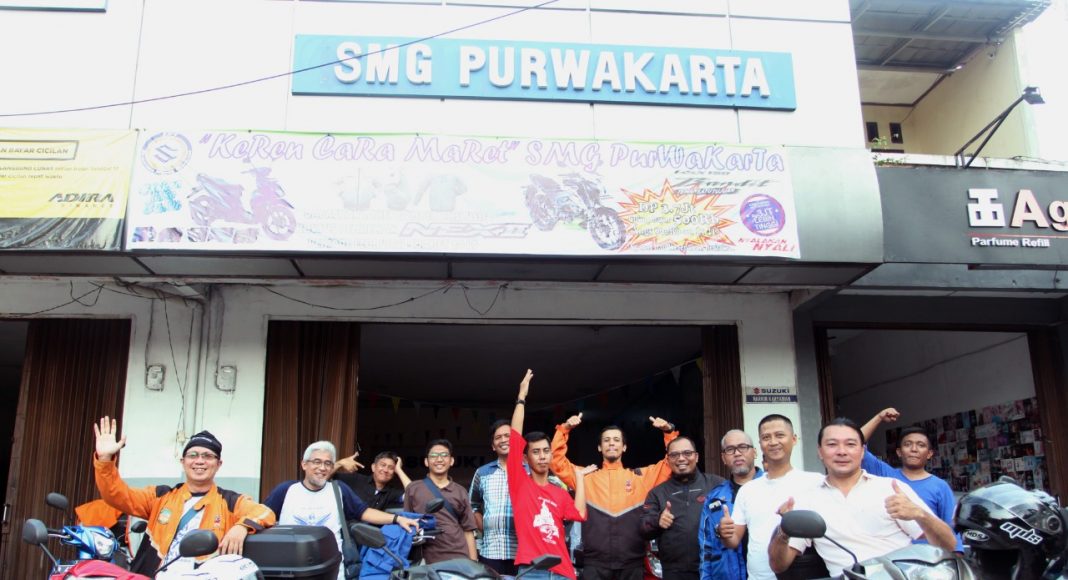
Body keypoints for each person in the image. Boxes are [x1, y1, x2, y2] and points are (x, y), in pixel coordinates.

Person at [768, 418, 958, 577]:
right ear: (820, 452)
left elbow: (948, 545)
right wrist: (784, 531)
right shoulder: (806, 499)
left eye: (850, 444)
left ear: (862, 451)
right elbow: (779, 565)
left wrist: (920, 515)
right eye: (832, 444)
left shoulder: (891, 488)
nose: (841, 451)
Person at [91, 417, 276, 574]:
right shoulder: (161, 496)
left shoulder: (230, 502)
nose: (200, 461)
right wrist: (105, 460)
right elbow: (116, 495)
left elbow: (265, 513)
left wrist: (242, 526)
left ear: (218, 464)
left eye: (208, 456)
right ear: (183, 461)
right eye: (193, 455)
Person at [550, 407, 678, 580]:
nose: (611, 443)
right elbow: (556, 462)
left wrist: (669, 433)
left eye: (617, 440)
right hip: (595, 564)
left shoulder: (640, 477)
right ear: (599, 447)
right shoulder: (585, 477)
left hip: (632, 564)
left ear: (624, 447)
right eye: (606, 440)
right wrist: (564, 429)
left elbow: (671, 464)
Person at [264, 441, 419, 580]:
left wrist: (397, 519)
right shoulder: (286, 490)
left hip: (332, 570)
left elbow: (364, 512)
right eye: (317, 462)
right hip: (290, 570)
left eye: (327, 463)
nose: (322, 468)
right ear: (304, 464)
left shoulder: (339, 489)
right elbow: (261, 518)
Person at [718, 415, 823, 580]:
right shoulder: (748, 490)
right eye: (766, 437)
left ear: (794, 439)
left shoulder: (815, 482)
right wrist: (724, 533)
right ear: (760, 444)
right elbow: (733, 540)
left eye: (779, 435)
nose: (773, 442)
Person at [509, 369, 590, 580]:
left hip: (562, 571)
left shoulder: (559, 493)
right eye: (536, 452)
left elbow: (580, 514)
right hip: (532, 571)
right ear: (525, 458)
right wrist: (521, 397)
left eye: (546, 451)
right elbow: (515, 436)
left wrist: (580, 478)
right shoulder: (519, 483)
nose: (542, 456)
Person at [860, 408, 962, 551]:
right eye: (908, 444)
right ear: (899, 452)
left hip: (930, 557)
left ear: (929, 454)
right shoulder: (885, 474)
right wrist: (879, 417)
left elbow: (952, 530)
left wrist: (957, 556)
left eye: (921, 445)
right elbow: (856, 444)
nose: (914, 449)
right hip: (893, 556)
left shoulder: (940, 486)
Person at [640, 436, 725, 580]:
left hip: (714, 568)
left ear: (696, 457)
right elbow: (643, 528)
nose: (681, 458)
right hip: (675, 572)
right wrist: (658, 521)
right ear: (668, 460)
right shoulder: (658, 493)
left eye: (687, 453)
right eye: (674, 455)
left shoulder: (717, 484)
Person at [697, 429, 763, 580]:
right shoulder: (714, 499)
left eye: (743, 447)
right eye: (730, 449)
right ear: (723, 458)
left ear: (754, 452)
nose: (737, 453)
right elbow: (706, 549)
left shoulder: (772, 487)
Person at [404, 438, 478, 563]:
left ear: (451, 461)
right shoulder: (413, 488)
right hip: (424, 559)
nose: (439, 459)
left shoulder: (460, 491)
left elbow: (468, 530)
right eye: (433, 455)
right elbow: (406, 524)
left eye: (444, 455)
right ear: (426, 461)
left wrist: (473, 562)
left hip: (458, 556)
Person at [469, 419, 520, 575]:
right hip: (490, 551)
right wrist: (482, 525)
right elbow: (472, 504)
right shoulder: (482, 473)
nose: (503, 440)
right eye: (498, 437)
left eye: (507, 436)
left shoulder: (528, 471)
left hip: (522, 552)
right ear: (493, 446)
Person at [335, 450, 412, 511]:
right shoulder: (356, 479)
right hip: (348, 525)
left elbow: (414, 495)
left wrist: (399, 470)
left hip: (372, 526)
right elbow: (328, 476)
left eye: (391, 468)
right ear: (373, 467)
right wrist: (339, 463)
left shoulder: (391, 492)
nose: (386, 470)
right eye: (383, 465)